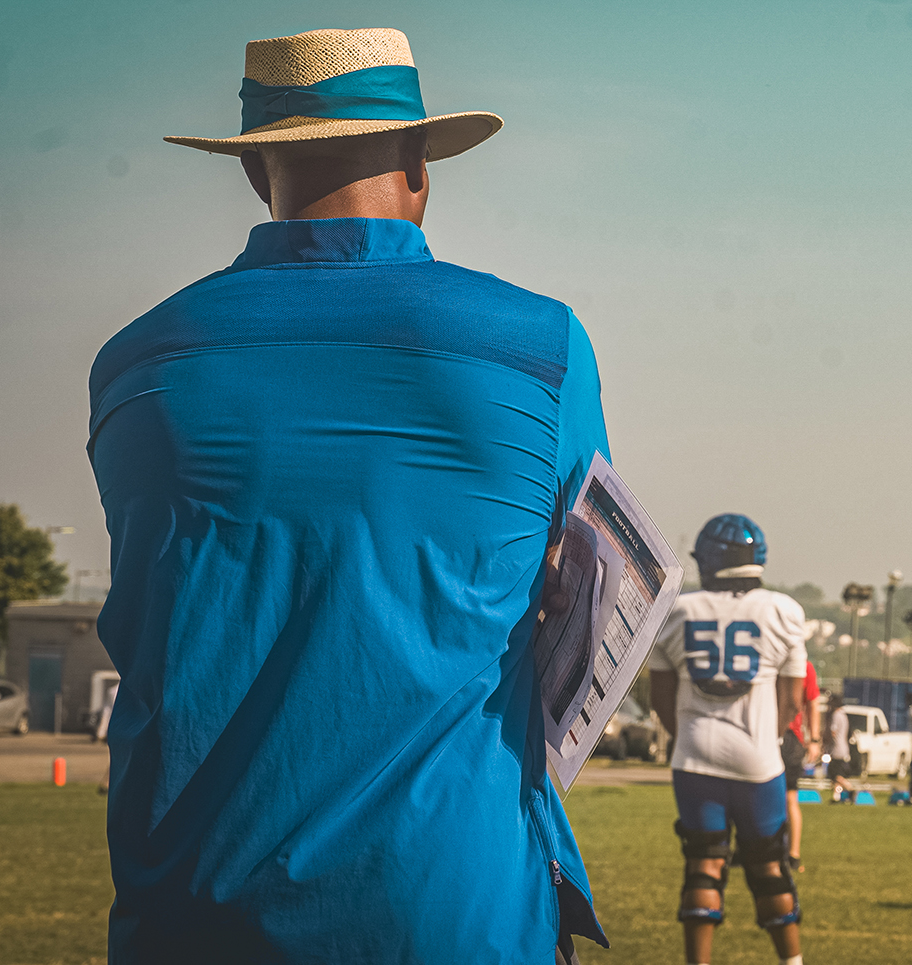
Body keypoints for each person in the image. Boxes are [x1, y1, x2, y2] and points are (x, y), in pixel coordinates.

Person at [87, 28, 608, 964]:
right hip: (454, 903)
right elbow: (585, 588)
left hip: (189, 909)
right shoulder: (540, 347)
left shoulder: (136, 361)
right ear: (419, 163)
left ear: (257, 175)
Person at [649, 514, 808, 965]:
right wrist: (766, 738)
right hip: (758, 759)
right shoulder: (782, 610)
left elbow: (661, 700)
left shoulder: (677, 610)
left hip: (693, 758)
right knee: (769, 868)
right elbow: (792, 701)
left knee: (703, 864)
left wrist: (692, 736)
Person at [781, 660, 821, 871]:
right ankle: (789, 854)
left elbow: (813, 703)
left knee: (789, 797)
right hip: (773, 735)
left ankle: (793, 854)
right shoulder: (802, 664)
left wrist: (814, 739)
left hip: (788, 736)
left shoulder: (803, 666)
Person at [825, 693, 856, 803]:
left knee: (835, 775)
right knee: (838, 774)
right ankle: (836, 797)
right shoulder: (844, 715)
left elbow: (833, 731)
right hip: (844, 747)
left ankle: (850, 788)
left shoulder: (836, 715)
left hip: (837, 748)